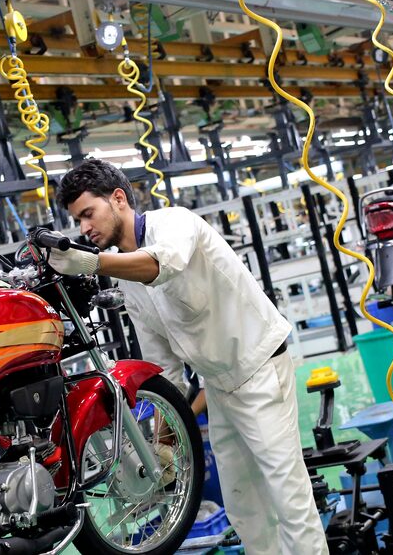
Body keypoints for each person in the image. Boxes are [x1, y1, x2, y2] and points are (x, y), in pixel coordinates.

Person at [48, 159, 328, 555]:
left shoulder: (175, 223)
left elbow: (162, 265)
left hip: (259, 368)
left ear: (118, 199)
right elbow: (165, 370)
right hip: (220, 387)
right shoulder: (129, 282)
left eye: (88, 214)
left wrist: (92, 262)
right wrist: (164, 440)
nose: (84, 229)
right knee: (243, 502)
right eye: (78, 220)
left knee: (288, 495)